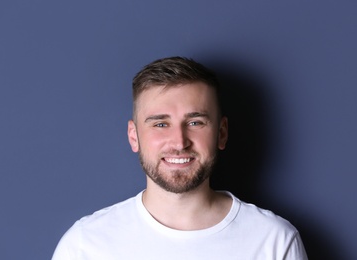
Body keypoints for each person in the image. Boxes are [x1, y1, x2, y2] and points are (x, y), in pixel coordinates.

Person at [52, 57, 308, 259]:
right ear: (134, 136)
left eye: (195, 122)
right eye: (160, 124)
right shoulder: (85, 245)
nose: (179, 141)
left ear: (221, 133)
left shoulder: (274, 241)